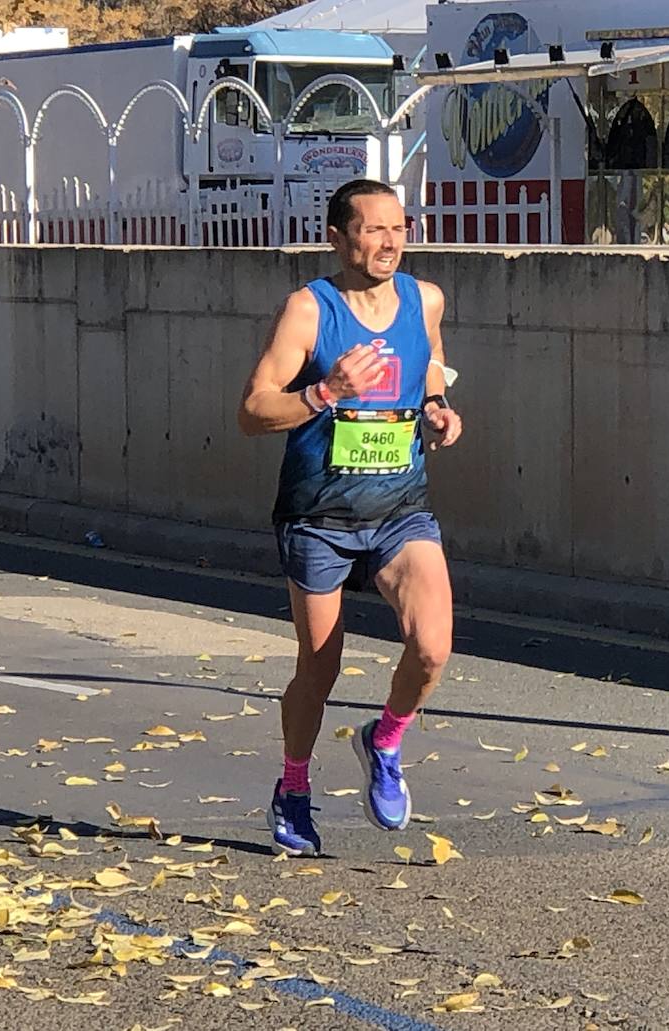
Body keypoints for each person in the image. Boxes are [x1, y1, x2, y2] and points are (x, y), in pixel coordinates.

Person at [237, 178, 463, 856]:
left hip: (399, 510)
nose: (389, 241)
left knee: (431, 648)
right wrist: (326, 391)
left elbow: (431, 365)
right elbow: (252, 410)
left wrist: (437, 410)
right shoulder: (309, 310)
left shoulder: (425, 299)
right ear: (338, 237)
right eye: (372, 229)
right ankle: (295, 785)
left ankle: (386, 737)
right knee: (320, 665)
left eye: (398, 227)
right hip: (319, 515)